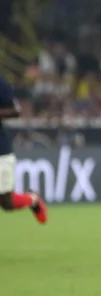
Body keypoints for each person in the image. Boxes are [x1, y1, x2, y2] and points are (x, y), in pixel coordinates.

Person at [0, 75, 47, 224]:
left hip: (1, 150)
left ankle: (32, 199)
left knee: (6, 202)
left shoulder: (1, 83)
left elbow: (15, 110)